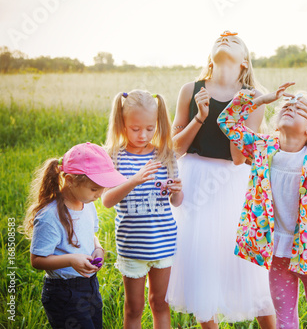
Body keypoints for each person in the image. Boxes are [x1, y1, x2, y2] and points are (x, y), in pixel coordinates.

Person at [166, 31, 275, 328]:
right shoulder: (190, 89)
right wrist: (199, 116)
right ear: (210, 56)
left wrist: (235, 109)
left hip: (232, 182)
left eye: (234, 41)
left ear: (244, 62)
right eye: (220, 39)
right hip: (195, 179)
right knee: (202, 261)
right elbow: (175, 149)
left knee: (247, 267)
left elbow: (238, 157)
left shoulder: (254, 97)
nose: (225, 39)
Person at [217, 82, 307, 329]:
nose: (290, 106)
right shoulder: (263, 149)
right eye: (287, 103)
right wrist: (260, 100)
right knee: (285, 321)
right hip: (277, 251)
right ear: (276, 123)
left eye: (301, 107)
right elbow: (227, 123)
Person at [102, 90, 183, 329]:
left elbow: (177, 202)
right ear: (122, 124)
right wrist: (134, 180)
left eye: (150, 128)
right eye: (135, 128)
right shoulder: (114, 156)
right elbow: (106, 201)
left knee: (160, 303)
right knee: (133, 307)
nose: (143, 134)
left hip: (164, 242)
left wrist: (177, 190)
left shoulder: (166, 155)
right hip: (132, 245)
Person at [24, 142, 128, 329]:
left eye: (102, 188)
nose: (99, 195)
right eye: (95, 189)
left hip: (89, 286)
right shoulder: (50, 216)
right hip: (64, 293)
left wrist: (97, 248)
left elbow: (90, 234)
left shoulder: (86, 204)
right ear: (70, 180)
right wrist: (71, 260)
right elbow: (37, 260)